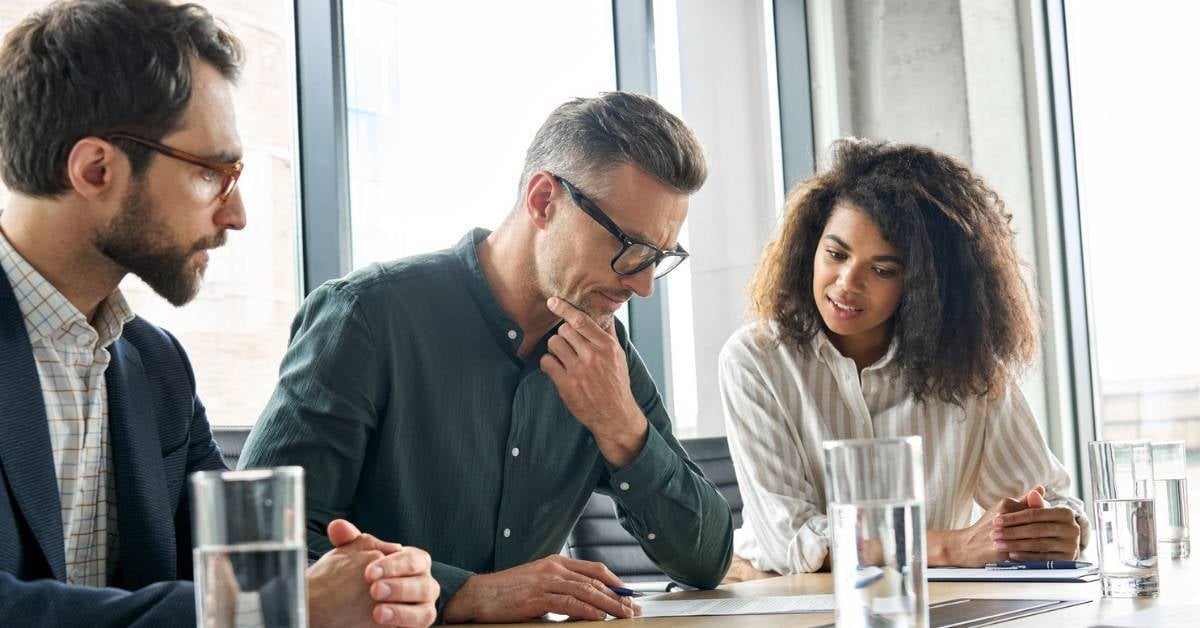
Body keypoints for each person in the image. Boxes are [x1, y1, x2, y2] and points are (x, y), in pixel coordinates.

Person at [0, 1, 436, 625]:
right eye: (212, 174)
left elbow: (235, 580)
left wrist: (375, 583)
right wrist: (294, 606)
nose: (237, 216)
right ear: (96, 169)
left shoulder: (157, 368)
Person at [240, 92, 734, 623]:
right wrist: (470, 593)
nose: (642, 287)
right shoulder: (367, 317)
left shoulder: (604, 354)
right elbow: (257, 548)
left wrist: (622, 427)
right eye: (630, 248)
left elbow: (705, 561)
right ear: (544, 200)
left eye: (658, 259)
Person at [719, 138, 1088, 580]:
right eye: (836, 254)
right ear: (810, 248)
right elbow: (793, 542)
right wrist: (950, 547)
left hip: (932, 605)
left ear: (924, 286)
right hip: (780, 597)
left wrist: (1050, 528)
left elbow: (1054, 499)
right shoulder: (755, 359)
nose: (846, 283)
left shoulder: (970, 369)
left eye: (883, 270)